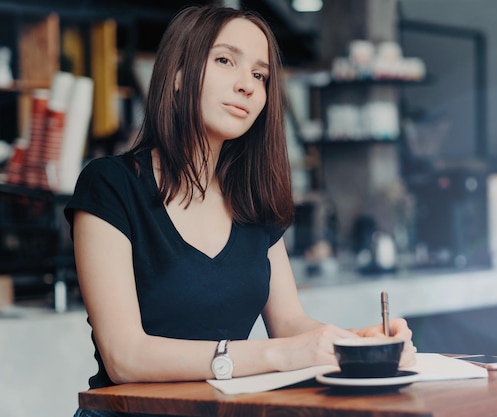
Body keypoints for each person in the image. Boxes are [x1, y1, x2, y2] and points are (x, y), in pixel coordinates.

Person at [65, 5, 416, 416]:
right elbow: (125, 356)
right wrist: (278, 356)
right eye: (225, 60)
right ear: (178, 74)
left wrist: (357, 343)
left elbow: (289, 324)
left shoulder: (253, 200)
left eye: (259, 75)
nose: (247, 86)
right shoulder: (110, 184)